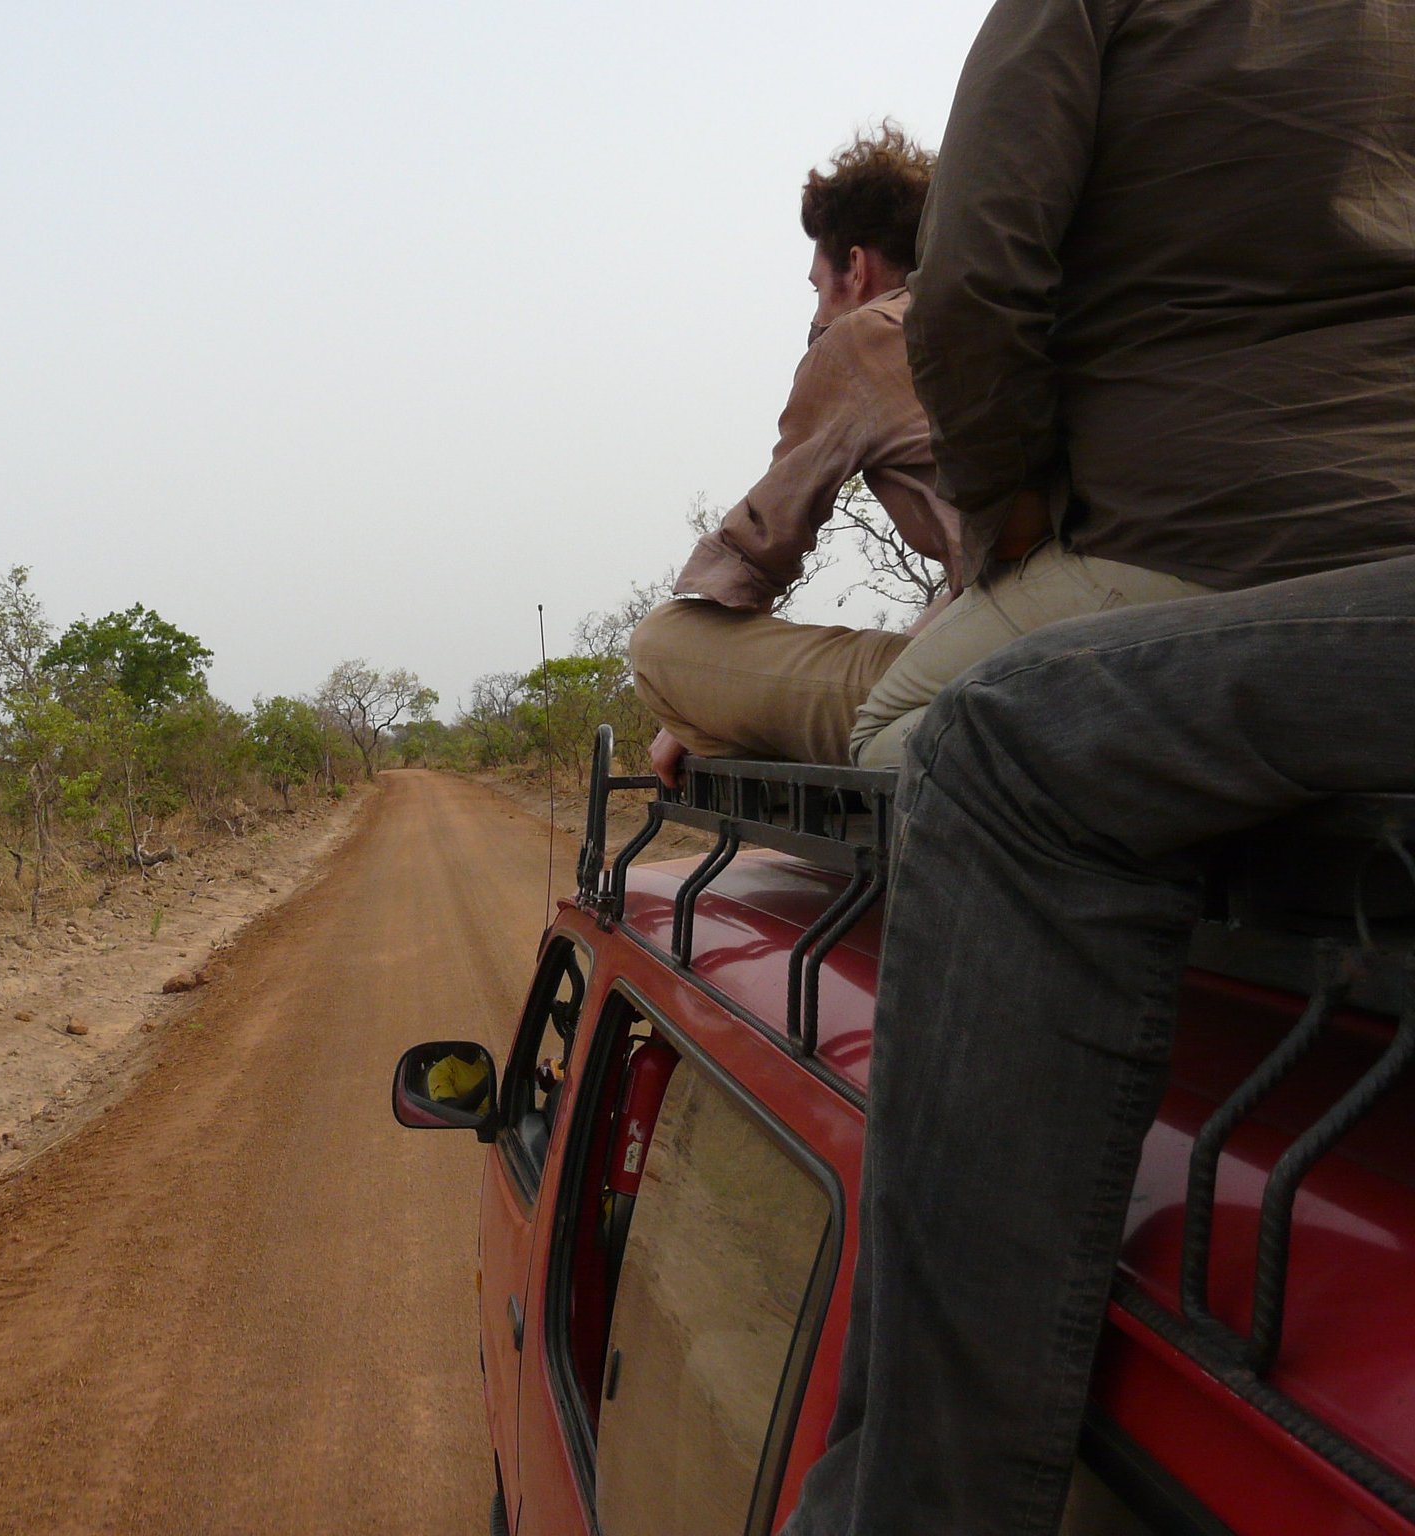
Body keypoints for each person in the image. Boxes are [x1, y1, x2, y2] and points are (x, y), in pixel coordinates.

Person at [781, 0, 1415, 1532]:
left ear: (848, 266)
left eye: (816, 270)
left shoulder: (1065, 26)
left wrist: (1004, 544)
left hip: (1193, 550)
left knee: (961, 754)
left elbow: (978, 300)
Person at [630, 126, 1217, 786]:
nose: (818, 312)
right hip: (1120, 590)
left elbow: (756, 548)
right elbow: (995, 562)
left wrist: (705, 698)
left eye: (816, 286)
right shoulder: (1020, 314)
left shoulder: (865, 333)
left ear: (855, 266)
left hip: (1047, 640)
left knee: (665, 642)